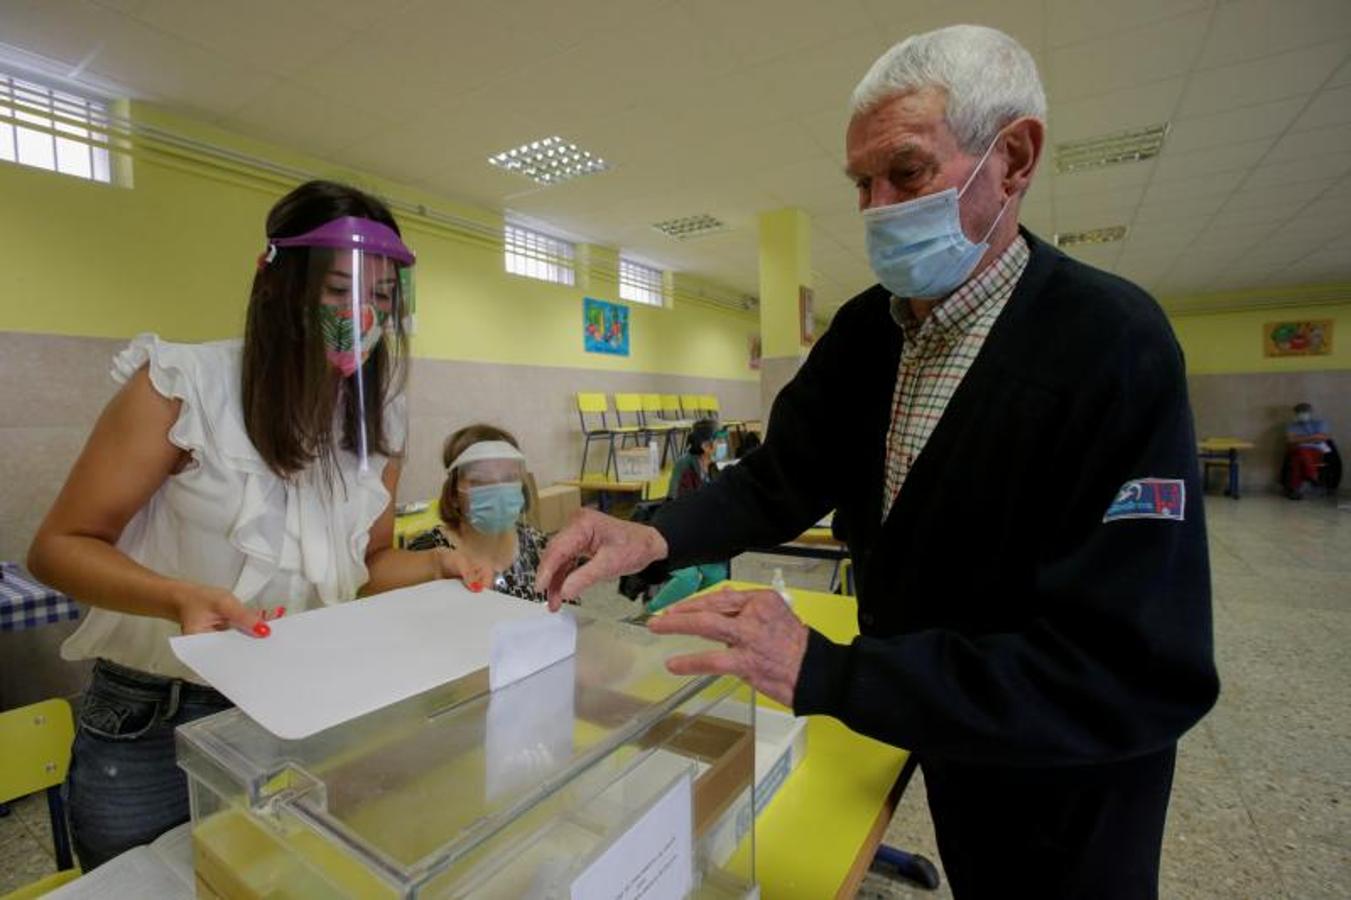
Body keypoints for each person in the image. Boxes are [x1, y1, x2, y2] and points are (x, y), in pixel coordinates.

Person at [535, 25, 1218, 900]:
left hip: (1066, 772)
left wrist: (826, 670)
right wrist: (653, 535)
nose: (877, 209)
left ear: (1012, 159)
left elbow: (1123, 667)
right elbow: (780, 477)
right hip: (936, 725)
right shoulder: (868, 331)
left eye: (906, 172)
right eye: (862, 183)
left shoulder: (1111, 345)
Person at [26, 180, 492, 869]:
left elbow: (369, 566)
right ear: (276, 282)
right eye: (338, 290)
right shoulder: (183, 385)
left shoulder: (377, 420)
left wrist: (434, 564)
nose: (361, 315)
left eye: (381, 297)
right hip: (155, 717)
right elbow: (58, 548)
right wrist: (178, 598)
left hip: (298, 700)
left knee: (278, 879)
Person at [406, 424, 551, 602]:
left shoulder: (540, 546)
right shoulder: (425, 552)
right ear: (453, 494)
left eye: (509, 478)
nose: (499, 491)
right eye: (481, 481)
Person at [645, 419, 729, 613]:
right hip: (674, 536)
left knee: (717, 574)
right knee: (688, 578)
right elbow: (676, 505)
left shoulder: (713, 467)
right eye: (719, 440)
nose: (723, 444)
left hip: (699, 537)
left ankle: (694, 612)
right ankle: (650, 613)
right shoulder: (684, 465)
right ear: (706, 445)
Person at [1284, 402, 1334, 499]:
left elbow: (1322, 437)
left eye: (1304, 411)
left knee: (1297, 458)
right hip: (1298, 450)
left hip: (1316, 450)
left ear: (1310, 412)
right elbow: (1290, 440)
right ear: (1295, 414)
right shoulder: (1292, 425)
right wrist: (1312, 437)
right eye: (1299, 412)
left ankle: (1295, 489)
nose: (1302, 414)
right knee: (1300, 451)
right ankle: (1313, 477)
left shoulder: (1320, 423)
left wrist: (1300, 438)